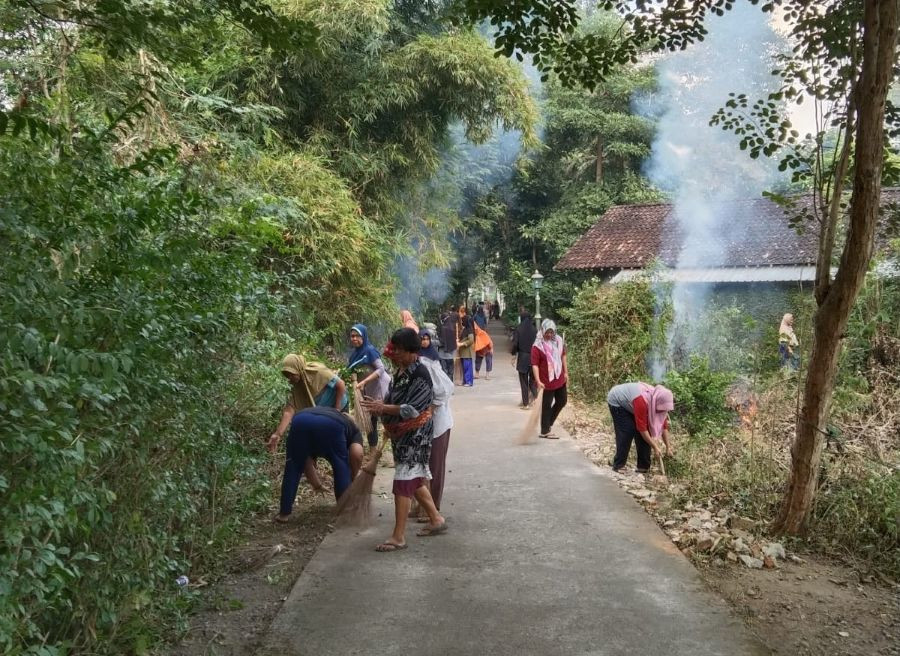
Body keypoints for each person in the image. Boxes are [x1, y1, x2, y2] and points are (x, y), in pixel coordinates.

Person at [361, 328, 446, 552]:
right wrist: (384, 415)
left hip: (416, 436)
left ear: (411, 352)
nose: (395, 353)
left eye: (399, 350)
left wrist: (383, 407)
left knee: (402, 482)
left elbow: (412, 410)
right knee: (415, 479)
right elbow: (393, 399)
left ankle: (398, 536)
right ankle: (436, 519)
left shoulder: (421, 374)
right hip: (401, 434)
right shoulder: (400, 371)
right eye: (394, 349)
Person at [269, 406, 364, 522]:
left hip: (300, 419)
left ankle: (284, 513)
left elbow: (305, 462)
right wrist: (353, 481)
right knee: (340, 466)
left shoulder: (329, 412)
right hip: (332, 426)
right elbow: (357, 454)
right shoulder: (354, 430)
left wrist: (317, 485)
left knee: (293, 465)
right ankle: (343, 509)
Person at [269, 354, 349, 489]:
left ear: (299, 369)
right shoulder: (295, 387)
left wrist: (336, 410)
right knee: (308, 447)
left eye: (292, 374)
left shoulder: (318, 372)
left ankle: (345, 478)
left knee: (340, 445)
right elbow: (289, 411)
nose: (290, 378)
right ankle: (317, 484)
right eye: (287, 375)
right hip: (317, 414)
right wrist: (278, 434)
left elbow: (341, 385)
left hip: (337, 406)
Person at [417, 330, 454, 514]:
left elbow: (446, 388)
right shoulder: (413, 363)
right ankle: (422, 506)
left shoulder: (428, 364)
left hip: (438, 424)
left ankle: (433, 508)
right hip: (422, 426)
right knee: (421, 464)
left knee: (435, 466)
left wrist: (431, 409)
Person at [607, 382, 674, 473]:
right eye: (661, 409)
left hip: (632, 403)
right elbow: (642, 429)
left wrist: (668, 447)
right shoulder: (642, 400)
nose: (662, 411)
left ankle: (643, 467)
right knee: (627, 431)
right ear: (657, 402)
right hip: (618, 401)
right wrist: (655, 447)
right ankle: (619, 465)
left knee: (646, 433)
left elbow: (664, 425)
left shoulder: (657, 402)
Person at [348, 324, 391, 448]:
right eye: (352, 336)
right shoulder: (354, 355)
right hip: (367, 391)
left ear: (364, 336)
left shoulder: (369, 351)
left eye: (357, 336)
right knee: (370, 422)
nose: (354, 339)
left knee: (387, 419)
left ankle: (392, 450)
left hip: (381, 389)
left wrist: (364, 382)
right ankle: (373, 452)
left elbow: (381, 369)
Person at [531, 319, 568, 439]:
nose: (549, 334)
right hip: (546, 380)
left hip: (559, 376)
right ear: (542, 331)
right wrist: (538, 380)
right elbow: (535, 364)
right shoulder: (537, 346)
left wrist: (566, 372)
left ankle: (548, 423)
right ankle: (545, 430)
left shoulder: (558, 341)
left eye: (552, 332)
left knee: (562, 400)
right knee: (546, 405)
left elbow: (563, 356)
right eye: (547, 332)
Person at [511, 308, 537, 408]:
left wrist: (514, 355)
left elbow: (515, 344)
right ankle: (536, 399)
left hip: (522, 358)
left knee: (523, 381)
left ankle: (526, 404)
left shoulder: (519, 329)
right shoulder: (535, 329)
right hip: (533, 358)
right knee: (532, 381)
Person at [457, 305, 475, 386]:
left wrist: (462, 344)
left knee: (467, 367)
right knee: (464, 367)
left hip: (467, 352)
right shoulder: (464, 329)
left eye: (462, 320)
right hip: (462, 352)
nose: (461, 322)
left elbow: (471, 340)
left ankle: (469, 381)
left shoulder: (469, 329)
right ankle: (465, 381)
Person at [438, 308, 458, 381]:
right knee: (451, 372)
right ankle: (451, 386)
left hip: (443, 354)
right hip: (451, 354)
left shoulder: (443, 328)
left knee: (444, 371)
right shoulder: (452, 328)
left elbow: (442, 342)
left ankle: (447, 387)